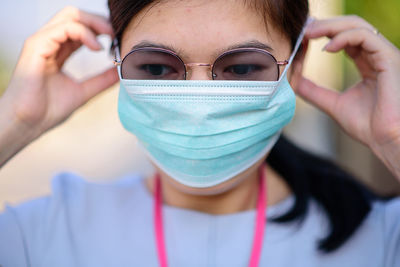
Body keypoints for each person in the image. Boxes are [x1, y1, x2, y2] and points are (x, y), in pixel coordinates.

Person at [0, 0, 399, 266]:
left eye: (241, 68)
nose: (198, 108)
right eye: (157, 68)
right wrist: (15, 121)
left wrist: (394, 137)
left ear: (295, 66)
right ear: (119, 64)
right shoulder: (45, 236)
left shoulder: (381, 240)